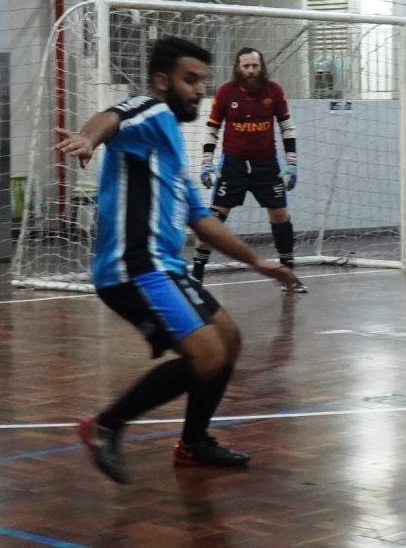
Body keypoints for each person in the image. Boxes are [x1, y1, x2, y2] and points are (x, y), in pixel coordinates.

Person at [55, 37, 298, 485]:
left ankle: (193, 443)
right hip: (131, 268)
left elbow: (203, 222)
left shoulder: (169, 145)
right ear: (162, 81)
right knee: (205, 354)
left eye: (202, 81)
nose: (197, 90)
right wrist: (88, 138)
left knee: (228, 340)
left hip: (164, 267)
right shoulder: (150, 111)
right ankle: (106, 425)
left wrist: (259, 263)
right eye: (189, 80)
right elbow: (112, 117)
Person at [192, 47, 307, 293]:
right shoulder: (225, 92)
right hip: (232, 164)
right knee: (214, 218)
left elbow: (287, 126)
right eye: (246, 66)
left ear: (261, 66)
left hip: (266, 165)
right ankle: (196, 277)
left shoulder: (274, 90)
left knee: (280, 216)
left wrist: (292, 162)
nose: (251, 70)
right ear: (238, 67)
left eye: (255, 66)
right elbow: (212, 128)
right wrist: (206, 162)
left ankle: (289, 276)